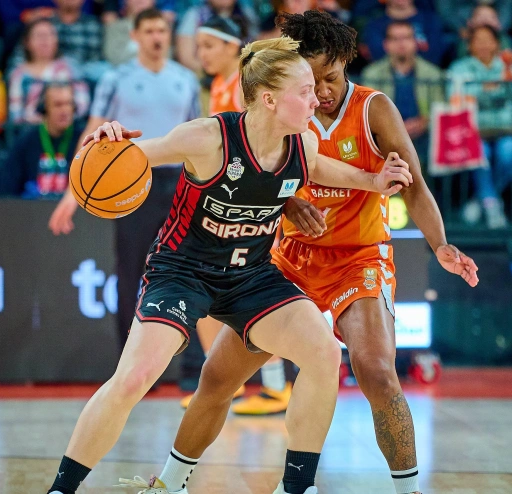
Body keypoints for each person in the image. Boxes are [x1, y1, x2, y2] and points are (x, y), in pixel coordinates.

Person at [45, 35, 415, 494]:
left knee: (323, 352)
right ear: (269, 99)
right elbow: (136, 155)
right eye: (304, 90)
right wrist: (108, 141)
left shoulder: (301, 140)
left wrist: (374, 180)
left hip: (250, 277)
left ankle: (297, 487)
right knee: (135, 378)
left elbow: (320, 168)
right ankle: (62, 487)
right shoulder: (208, 138)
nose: (316, 96)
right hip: (183, 271)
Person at [145, 11, 478, 494]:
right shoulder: (282, 110)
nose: (321, 91)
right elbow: (257, 172)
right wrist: (290, 200)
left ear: (346, 62)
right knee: (218, 377)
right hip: (289, 259)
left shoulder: (374, 109)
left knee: (378, 372)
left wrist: (441, 244)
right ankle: (169, 483)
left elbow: (415, 185)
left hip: (357, 256)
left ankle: (407, 489)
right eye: (310, 80)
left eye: (330, 78)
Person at [49, 9, 200, 355]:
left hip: (179, 182)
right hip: (131, 181)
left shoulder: (185, 78)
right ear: (134, 36)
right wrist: (72, 194)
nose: (157, 37)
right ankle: (127, 359)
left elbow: (197, 137)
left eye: (162, 30)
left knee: (187, 270)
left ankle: (191, 365)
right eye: (149, 31)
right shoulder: (116, 78)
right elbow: (92, 133)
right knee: (130, 270)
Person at [191, 15, 295, 415]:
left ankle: (274, 387)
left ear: (235, 47)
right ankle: (230, 384)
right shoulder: (219, 85)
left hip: (257, 207)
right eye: (199, 46)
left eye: (210, 46)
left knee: (253, 293)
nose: (203, 54)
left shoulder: (244, 86)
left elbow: (261, 148)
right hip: (235, 204)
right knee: (218, 298)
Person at [447, 25, 512, 229]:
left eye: (488, 39)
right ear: (470, 45)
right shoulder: (459, 68)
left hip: (505, 130)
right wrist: (488, 90)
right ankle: (491, 206)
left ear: (496, 44)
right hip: (472, 130)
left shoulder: (508, 67)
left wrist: (501, 83)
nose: (483, 44)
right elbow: (454, 97)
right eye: (477, 40)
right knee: (480, 154)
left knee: (511, 152)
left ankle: (481, 200)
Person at [361, 20, 444, 158]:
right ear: (386, 44)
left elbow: (440, 108)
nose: (401, 43)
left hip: (425, 136)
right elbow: (368, 112)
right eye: (395, 39)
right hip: (386, 136)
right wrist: (395, 127)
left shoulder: (432, 73)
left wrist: (423, 122)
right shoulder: (372, 74)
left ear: (415, 42)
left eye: (406, 37)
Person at [0, 83, 84, 197]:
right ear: (44, 108)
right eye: (58, 105)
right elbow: (6, 188)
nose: (65, 110)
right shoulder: (25, 142)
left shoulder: (84, 140)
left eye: (69, 104)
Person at [7, 18, 90, 124]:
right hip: (30, 129)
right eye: (40, 35)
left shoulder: (71, 68)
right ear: (27, 42)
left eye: (50, 35)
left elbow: (82, 106)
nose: (45, 40)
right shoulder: (18, 73)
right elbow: (16, 113)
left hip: (69, 128)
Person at [174, 0, 259, 72]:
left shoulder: (246, 14)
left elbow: (256, 47)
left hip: (243, 75)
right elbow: (187, 59)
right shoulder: (195, 16)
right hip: (204, 78)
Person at [359, 0, 448, 66]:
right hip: (385, 78)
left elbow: (435, 54)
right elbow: (377, 56)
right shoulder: (374, 25)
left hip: (424, 77)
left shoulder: (431, 21)